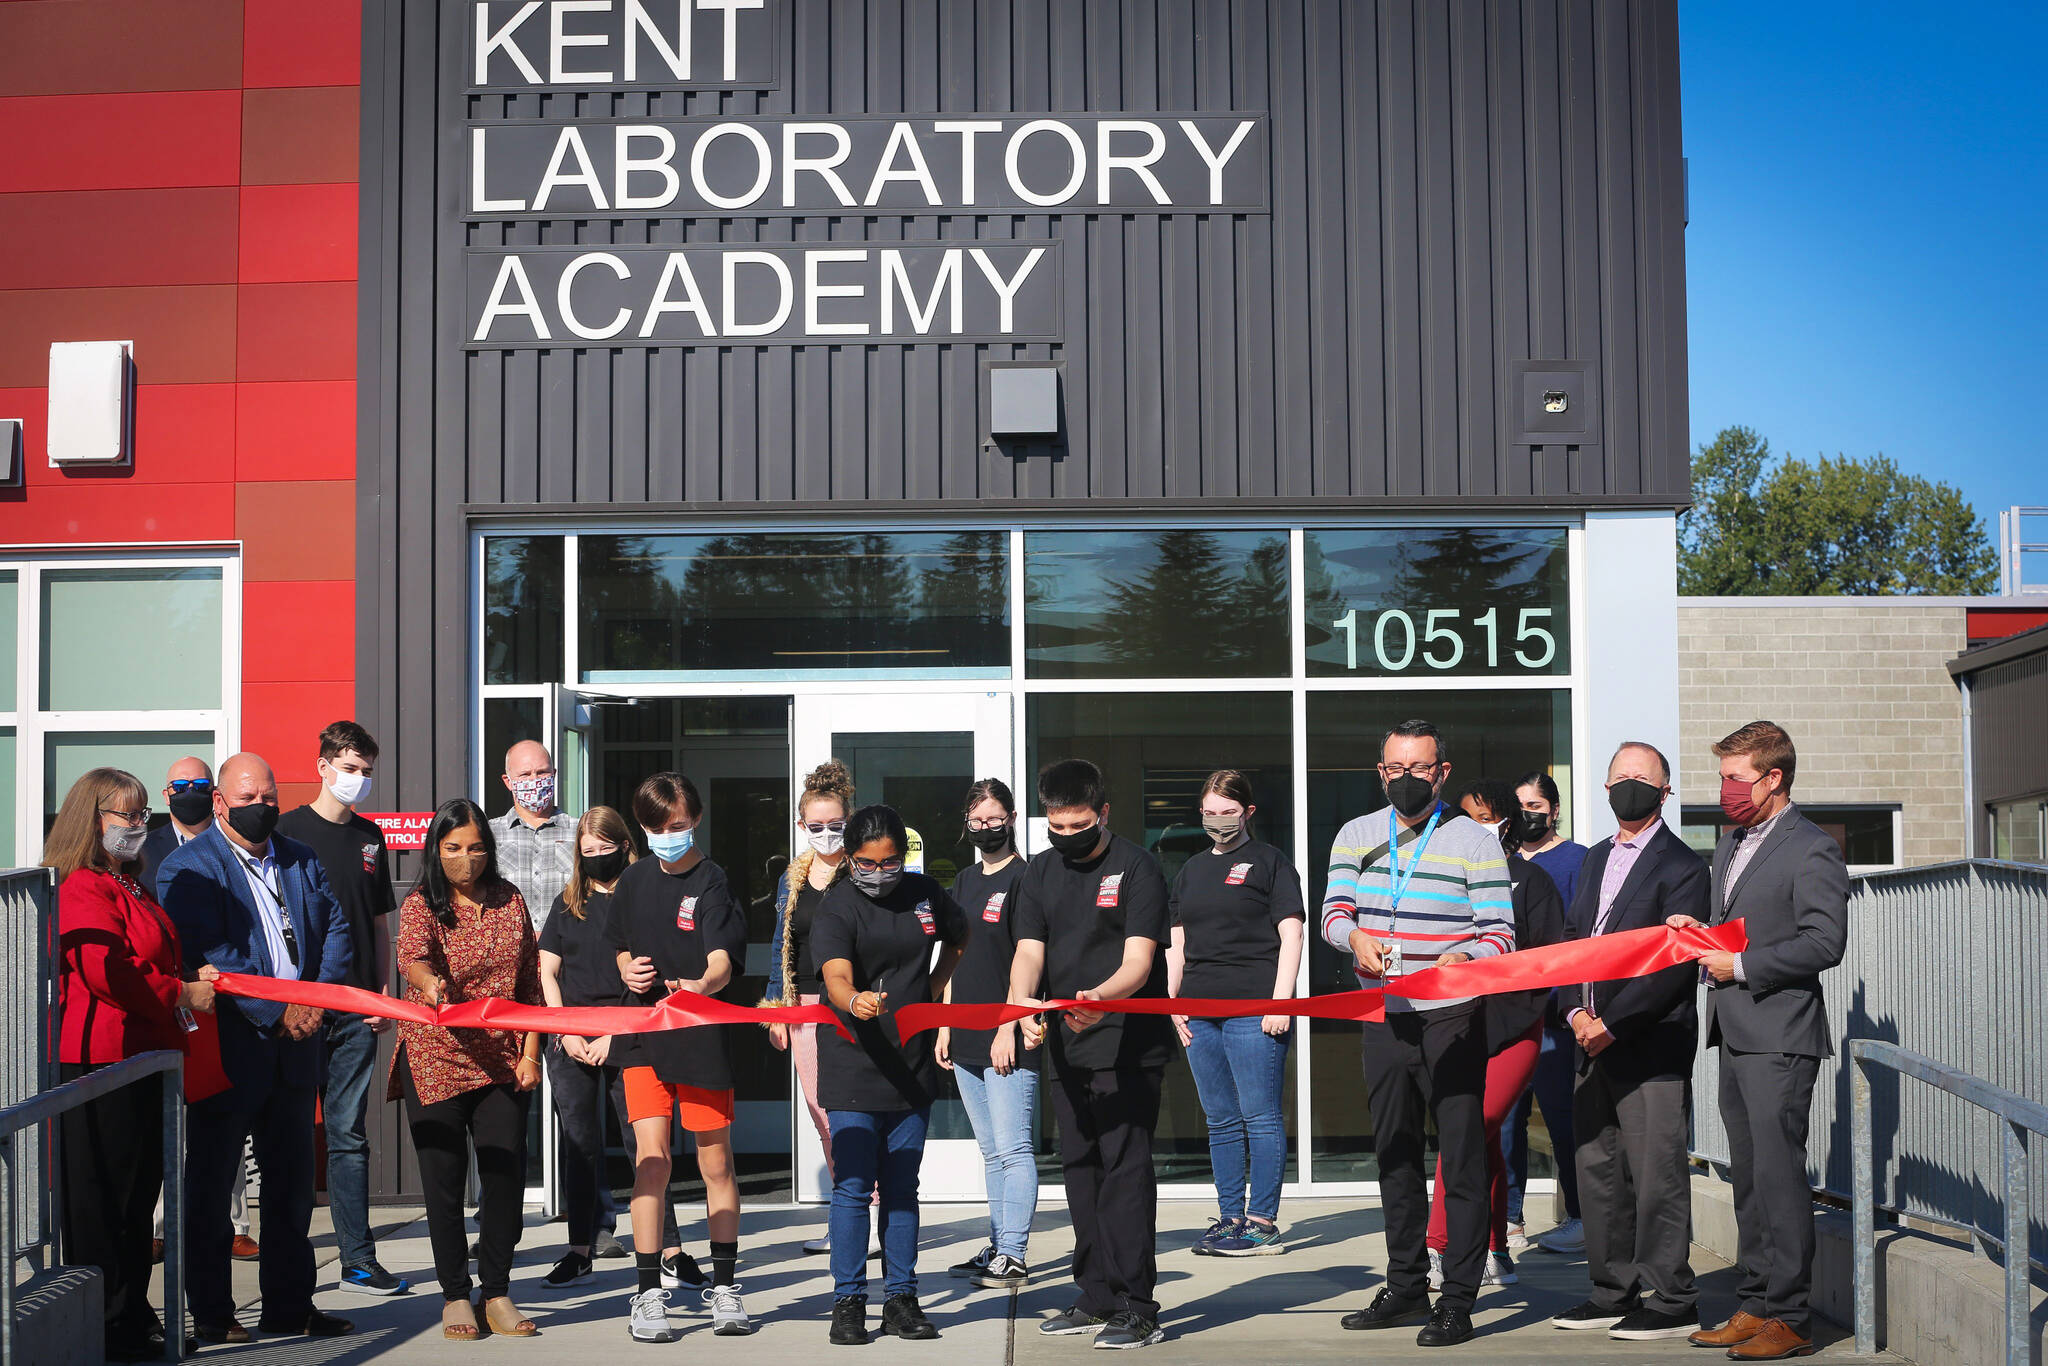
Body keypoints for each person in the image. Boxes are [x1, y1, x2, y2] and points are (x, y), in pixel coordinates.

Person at [1320, 719, 1514, 1348]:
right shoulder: (1356, 834)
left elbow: (1500, 934)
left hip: (1451, 1016)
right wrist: (1354, 937)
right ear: (1380, 771)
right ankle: (1406, 1286)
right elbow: (1333, 913)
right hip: (1383, 1011)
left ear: (1442, 771)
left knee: (1459, 1157)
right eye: (1393, 769)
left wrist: (1465, 960)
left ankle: (1458, 1298)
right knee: (1394, 1153)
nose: (1405, 779)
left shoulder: (1476, 842)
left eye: (1418, 769)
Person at [157, 752, 356, 1346]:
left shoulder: (300, 857)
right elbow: (212, 953)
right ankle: (215, 1316)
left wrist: (315, 1001)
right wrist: (278, 1009)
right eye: (247, 799)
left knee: (293, 1189)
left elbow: (336, 929)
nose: (261, 807)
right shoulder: (188, 868)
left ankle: (290, 1307)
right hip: (232, 1050)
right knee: (213, 1189)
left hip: (297, 1050)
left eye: (268, 797)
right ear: (220, 802)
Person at [1670, 721, 1848, 1361]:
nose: (1724, 790)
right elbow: (1738, 927)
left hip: (1780, 1033)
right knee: (1748, 1176)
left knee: (1778, 1176)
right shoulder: (1730, 844)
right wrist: (1703, 934)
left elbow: (1824, 942)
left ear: (1774, 779)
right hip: (1735, 1032)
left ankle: (1792, 1317)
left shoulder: (1812, 848)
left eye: (1735, 778)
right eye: (1722, 776)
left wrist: (1741, 967)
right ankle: (1757, 1302)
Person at [49, 767, 218, 1361]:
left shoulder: (126, 882)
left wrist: (181, 982)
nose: (137, 826)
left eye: (142, 814)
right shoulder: (81, 888)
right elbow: (106, 970)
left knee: (136, 1199)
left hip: (140, 1060)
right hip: (101, 1063)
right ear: (91, 819)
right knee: (104, 1204)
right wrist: (178, 993)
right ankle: (108, 1324)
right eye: (126, 814)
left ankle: (129, 1318)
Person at [1010, 759, 1174, 1351]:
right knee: (1081, 1173)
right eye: (1056, 828)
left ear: (1103, 814)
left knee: (1124, 1174)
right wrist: (1019, 1008)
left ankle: (1137, 1305)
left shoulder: (1137, 866)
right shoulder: (1039, 873)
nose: (1067, 837)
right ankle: (1096, 1293)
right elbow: (1029, 951)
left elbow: (1138, 960)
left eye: (1078, 826)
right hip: (1066, 1044)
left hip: (1126, 1044)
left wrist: (1102, 999)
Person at [1549, 742, 1708, 1341]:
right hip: (1587, 1040)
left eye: (1643, 779)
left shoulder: (1685, 867)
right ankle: (1612, 1289)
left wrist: (1611, 1024)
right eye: (1620, 778)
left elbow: (1674, 964)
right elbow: (1573, 943)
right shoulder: (1593, 859)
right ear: (1605, 787)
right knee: (1598, 1169)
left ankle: (1672, 1298)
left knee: (1656, 1173)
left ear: (1665, 790)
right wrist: (1574, 1015)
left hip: (1648, 1043)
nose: (1630, 787)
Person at [810, 803, 968, 1345]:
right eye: (866, 863)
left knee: (902, 1188)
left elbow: (958, 935)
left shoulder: (925, 895)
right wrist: (854, 1001)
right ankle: (848, 1302)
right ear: (850, 859)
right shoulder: (836, 907)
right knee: (853, 1186)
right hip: (854, 1065)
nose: (878, 873)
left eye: (889, 861)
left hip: (912, 1066)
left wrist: (935, 985)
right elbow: (834, 974)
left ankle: (901, 1297)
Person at [388, 798, 543, 1341]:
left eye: (477, 848)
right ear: (436, 849)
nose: (466, 858)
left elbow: (530, 986)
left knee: (504, 1179)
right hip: (435, 1058)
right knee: (444, 1184)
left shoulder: (510, 900)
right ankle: (455, 1294)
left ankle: (496, 1290)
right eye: (454, 848)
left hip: (503, 1059)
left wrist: (529, 1054)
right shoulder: (421, 904)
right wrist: (428, 984)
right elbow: (413, 956)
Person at [608, 773, 751, 1343]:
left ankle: (724, 1287)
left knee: (716, 1165)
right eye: (660, 828)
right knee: (652, 1162)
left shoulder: (713, 880)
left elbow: (722, 959)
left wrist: (700, 984)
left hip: (700, 1035)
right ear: (641, 829)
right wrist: (626, 967)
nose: (673, 836)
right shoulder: (633, 880)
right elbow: (617, 943)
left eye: (681, 825)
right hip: (643, 1036)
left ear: (696, 819)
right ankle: (646, 1293)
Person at [275, 721, 410, 1297]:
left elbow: (381, 926)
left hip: (357, 1009)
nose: (358, 780)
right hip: (297, 1011)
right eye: (350, 768)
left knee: (349, 1135)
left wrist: (384, 994)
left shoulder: (370, 838)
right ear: (323, 765)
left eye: (366, 771)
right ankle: (287, 1262)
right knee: (287, 1135)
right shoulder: (285, 834)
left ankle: (358, 1259)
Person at [1422, 779, 1565, 1291]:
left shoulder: (1532, 882)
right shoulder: (1440, 877)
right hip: (1453, 1026)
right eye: (1461, 817)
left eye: (1481, 818)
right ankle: (1495, 1246)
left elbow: (1550, 960)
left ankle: (1439, 1247)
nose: (1470, 828)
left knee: (1469, 1125)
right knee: (1479, 1139)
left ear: (1504, 822)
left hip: (1513, 1028)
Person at [537, 805, 681, 1287]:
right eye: (588, 850)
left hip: (630, 1035)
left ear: (625, 846)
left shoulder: (643, 900)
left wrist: (612, 1035)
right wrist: (565, 1031)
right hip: (572, 1038)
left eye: (605, 848)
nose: (597, 856)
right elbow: (547, 971)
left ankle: (671, 1249)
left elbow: (651, 979)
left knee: (646, 1144)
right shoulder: (566, 902)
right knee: (580, 1145)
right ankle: (580, 1248)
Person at [1165, 770, 1304, 1258]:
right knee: (1220, 1118)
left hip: (1254, 1009)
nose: (1218, 821)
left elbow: (1292, 934)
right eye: (1210, 812)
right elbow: (1177, 941)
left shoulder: (1270, 862)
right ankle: (1229, 1219)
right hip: (1199, 1012)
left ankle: (1262, 1222)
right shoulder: (1191, 870)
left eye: (1228, 812)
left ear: (1247, 812)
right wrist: (1174, 1002)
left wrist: (1280, 1000)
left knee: (1260, 1115)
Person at [140, 756, 258, 1267]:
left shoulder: (233, 845)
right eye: (180, 785)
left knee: (224, 1116)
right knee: (177, 1120)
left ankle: (236, 1224)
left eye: (199, 784)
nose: (189, 791)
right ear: (167, 794)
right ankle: (162, 1228)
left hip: (225, 995)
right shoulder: (147, 849)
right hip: (174, 994)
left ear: (214, 794)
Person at [935, 778, 1040, 1288]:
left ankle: (1015, 1253)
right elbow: (953, 957)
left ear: (1013, 818)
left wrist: (1008, 1026)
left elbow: (1026, 958)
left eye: (994, 819)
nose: (985, 827)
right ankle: (998, 1245)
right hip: (965, 1032)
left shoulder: (1027, 878)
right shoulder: (964, 881)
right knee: (991, 1150)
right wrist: (945, 1023)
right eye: (976, 820)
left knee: (1014, 1148)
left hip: (1006, 1034)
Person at [764, 759, 857, 1255]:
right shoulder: (791, 880)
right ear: (802, 826)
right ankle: (845, 1216)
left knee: (855, 1110)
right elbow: (783, 942)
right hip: (805, 1006)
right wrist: (778, 1008)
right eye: (816, 826)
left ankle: (869, 1213)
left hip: (853, 1003)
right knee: (822, 1114)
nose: (826, 834)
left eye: (835, 825)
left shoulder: (864, 871)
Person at [1509, 770, 1589, 1254]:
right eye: (1520, 806)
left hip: (1556, 1013)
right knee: (1506, 1117)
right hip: (1507, 1011)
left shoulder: (1577, 860)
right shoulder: (1499, 862)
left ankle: (1579, 1216)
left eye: (1536, 806)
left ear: (1554, 810)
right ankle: (1510, 1217)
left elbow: (1583, 935)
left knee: (1563, 1116)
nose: (1527, 815)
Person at [493, 739, 576, 931]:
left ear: (553, 775)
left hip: (566, 954)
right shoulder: (489, 835)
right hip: (510, 954)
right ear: (508, 782)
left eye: (542, 772)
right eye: (524, 774)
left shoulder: (580, 831)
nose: (534, 780)